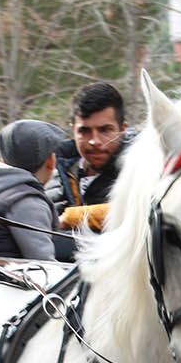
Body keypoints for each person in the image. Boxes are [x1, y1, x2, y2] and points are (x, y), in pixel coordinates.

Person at [46, 81, 137, 256]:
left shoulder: (139, 168)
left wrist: (71, 218)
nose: (94, 141)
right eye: (85, 131)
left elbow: (141, 210)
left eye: (105, 130)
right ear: (73, 130)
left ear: (122, 129)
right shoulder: (52, 168)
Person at [0, 120, 66, 261]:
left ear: (3, 158)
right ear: (50, 161)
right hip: (8, 273)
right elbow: (43, 261)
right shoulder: (29, 201)